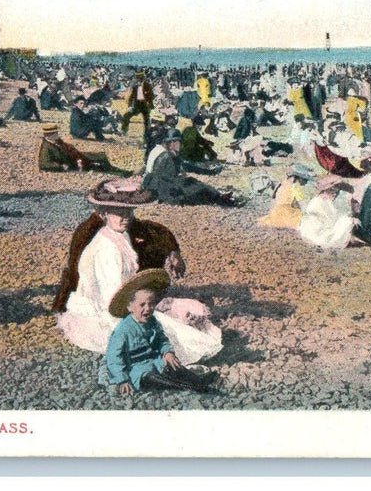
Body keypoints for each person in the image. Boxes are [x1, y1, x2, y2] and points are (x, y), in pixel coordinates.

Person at [53, 178, 222, 364]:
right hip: (105, 307)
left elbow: (154, 232)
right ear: (104, 214)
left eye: (129, 211)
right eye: (119, 212)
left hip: (123, 296)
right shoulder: (105, 247)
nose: (125, 217)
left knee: (185, 315)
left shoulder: (120, 233)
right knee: (171, 333)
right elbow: (112, 300)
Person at [105, 270, 218, 395]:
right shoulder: (123, 329)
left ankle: (197, 380)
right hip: (135, 366)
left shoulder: (152, 321)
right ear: (130, 307)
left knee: (173, 365)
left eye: (151, 304)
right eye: (142, 305)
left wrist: (167, 352)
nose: (147, 308)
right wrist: (122, 380)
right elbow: (113, 357)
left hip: (154, 360)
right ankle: (186, 387)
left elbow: (162, 340)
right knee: (150, 378)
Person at [142, 129, 239, 206]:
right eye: (178, 142)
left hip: (159, 189)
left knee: (192, 183)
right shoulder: (167, 156)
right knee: (196, 187)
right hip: (166, 192)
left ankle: (219, 197)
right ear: (172, 143)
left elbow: (187, 167)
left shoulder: (165, 153)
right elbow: (167, 178)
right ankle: (220, 199)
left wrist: (210, 172)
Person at [38, 124, 128, 174]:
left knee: (101, 156)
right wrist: (62, 166)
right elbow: (44, 164)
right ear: (49, 135)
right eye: (56, 133)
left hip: (75, 157)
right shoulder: (46, 147)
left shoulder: (55, 141)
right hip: (71, 163)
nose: (57, 135)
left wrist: (77, 158)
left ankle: (116, 170)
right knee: (97, 166)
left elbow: (68, 148)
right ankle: (119, 172)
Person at [298, 175, 357, 252]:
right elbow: (327, 221)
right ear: (325, 190)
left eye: (337, 189)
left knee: (347, 219)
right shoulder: (319, 201)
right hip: (317, 234)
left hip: (319, 231)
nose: (336, 192)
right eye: (332, 190)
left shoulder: (326, 201)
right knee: (347, 221)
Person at [259, 164, 316, 229]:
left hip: (276, 213)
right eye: (305, 180)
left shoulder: (282, 183)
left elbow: (273, 197)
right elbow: (302, 204)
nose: (306, 182)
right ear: (299, 178)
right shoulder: (296, 187)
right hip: (288, 214)